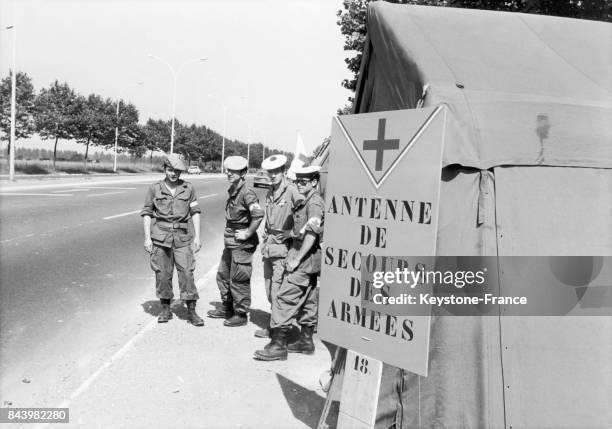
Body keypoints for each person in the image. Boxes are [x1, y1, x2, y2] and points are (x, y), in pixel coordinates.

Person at [254, 165, 324, 361]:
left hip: (303, 259)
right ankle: (306, 341)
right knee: (309, 298)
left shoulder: (314, 203)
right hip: (310, 260)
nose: (299, 185)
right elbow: (302, 230)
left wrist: (296, 259)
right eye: (297, 181)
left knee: (285, 298)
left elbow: (311, 234)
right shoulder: (307, 200)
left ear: (314, 182)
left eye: (304, 182)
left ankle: (278, 345)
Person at [141, 153, 204, 326]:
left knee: (187, 273)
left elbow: (195, 212)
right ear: (165, 169)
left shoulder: (188, 188)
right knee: (162, 274)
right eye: (170, 170)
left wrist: (198, 237)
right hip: (160, 238)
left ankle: (191, 311)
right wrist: (147, 238)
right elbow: (146, 213)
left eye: (176, 170)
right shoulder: (155, 189)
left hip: (182, 238)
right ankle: (165, 309)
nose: (173, 174)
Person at [208, 156, 264, 327]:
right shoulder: (234, 190)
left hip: (242, 243)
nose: (229, 173)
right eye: (228, 171)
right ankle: (227, 307)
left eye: (234, 171)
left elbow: (258, 214)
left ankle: (240, 313)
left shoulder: (247, 193)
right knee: (223, 275)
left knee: (239, 278)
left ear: (243, 173)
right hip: (231, 241)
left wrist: (247, 233)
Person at [255, 154, 304, 339]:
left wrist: (292, 233)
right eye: (270, 172)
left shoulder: (292, 191)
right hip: (269, 248)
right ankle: (278, 323)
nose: (273, 175)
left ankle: (278, 330)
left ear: (284, 172)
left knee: (278, 290)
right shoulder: (270, 192)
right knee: (269, 290)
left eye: (276, 171)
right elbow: (268, 221)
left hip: (283, 249)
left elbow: (305, 216)